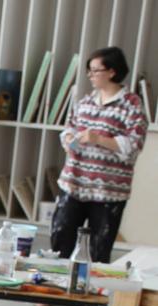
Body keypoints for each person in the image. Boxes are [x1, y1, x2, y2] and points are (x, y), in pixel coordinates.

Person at [51, 46, 147, 262]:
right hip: (73, 183)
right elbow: (69, 127)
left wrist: (98, 139)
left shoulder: (132, 105)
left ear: (112, 72)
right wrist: (68, 139)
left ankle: (90, 292)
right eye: (89, 70)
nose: (90, 75)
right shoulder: (85, 102)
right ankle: (56, 291)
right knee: (60, 241)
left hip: (108, 192)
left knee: (98, 251)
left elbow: (135, 144)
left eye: (95, 71)